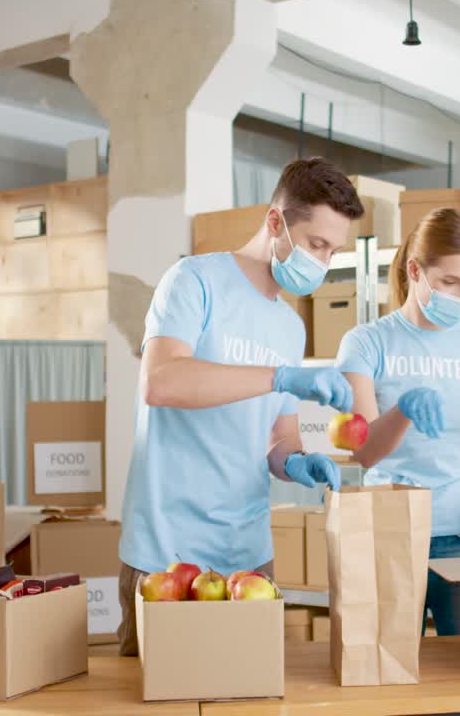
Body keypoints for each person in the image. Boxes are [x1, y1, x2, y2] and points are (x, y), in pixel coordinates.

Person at [117, 158, 365, 656]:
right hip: (169, 552)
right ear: (275, 222)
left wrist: (298, 461)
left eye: (333, 251)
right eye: (316, 244)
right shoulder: (194, 281)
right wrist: (279, 376)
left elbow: (276, 436)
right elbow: (161, 382)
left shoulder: (291, 328)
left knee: (249, 698)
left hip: (249, 554)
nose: (322, 261)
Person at [335, 208, 460, 636]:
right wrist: (403, 409)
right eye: (448, 282)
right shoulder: (367, 343)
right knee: (388, 676)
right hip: (391, 533)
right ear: (414, 271)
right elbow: (364, 452)